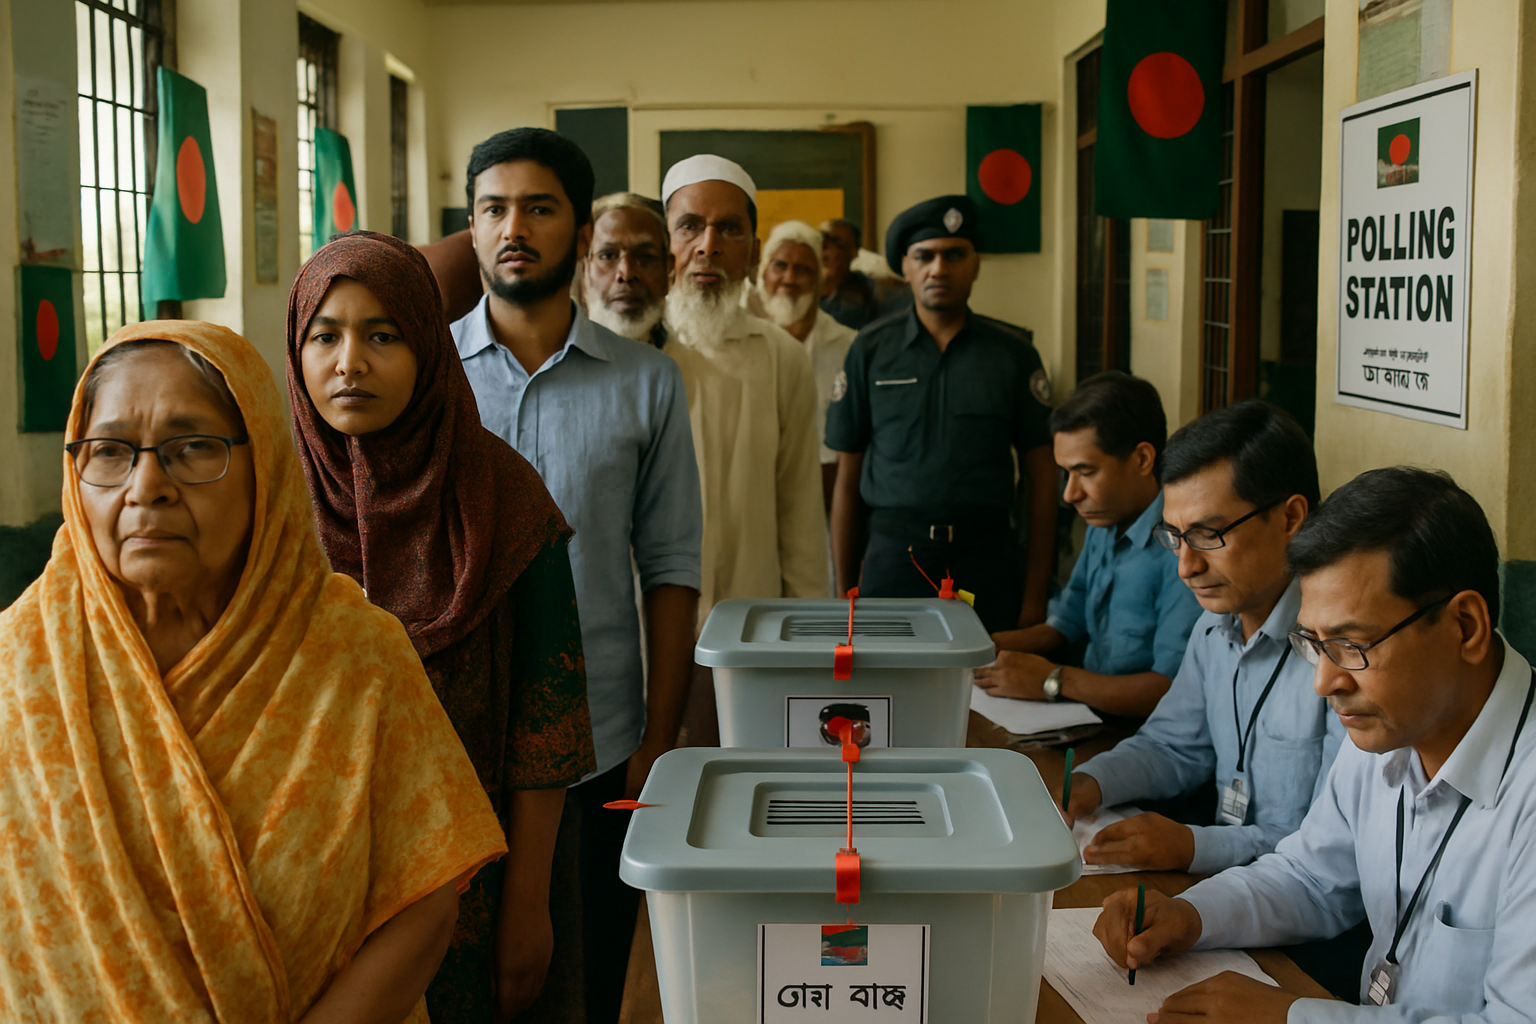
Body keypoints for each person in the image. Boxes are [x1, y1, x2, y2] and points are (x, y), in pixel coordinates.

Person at [0, 320, 507, 1022]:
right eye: (110, 452)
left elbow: (421, 901)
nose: (147, 487)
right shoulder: (20, 670)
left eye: (195, 448)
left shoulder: (354, 657)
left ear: (264, 459)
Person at [287, 231, 600, 1024]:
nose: (349, 362)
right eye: (324, 335)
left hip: (478, 885)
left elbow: (547, 725)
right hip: (303, 884)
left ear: (429, 346)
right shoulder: (267, 508)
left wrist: (528, 907)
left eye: (382, 335)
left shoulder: (504, 498)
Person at [1095, 467, 1536, 1023]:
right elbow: (1310, 876)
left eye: (1351, 645)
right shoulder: (1389, 729)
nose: (1325, 682)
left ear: (1465, 626)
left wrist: (1290, 1019)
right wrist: (1188, 915)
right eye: (1312, 643)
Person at [449, 130, 703, 1024]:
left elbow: (671, 566)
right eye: (493, 208)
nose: (513, 227)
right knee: (463, 985)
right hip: (451, 741)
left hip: (601, 737)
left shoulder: (646, 383)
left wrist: (660, 734)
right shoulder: (426, 374)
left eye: (538, 207)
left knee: (585, 977)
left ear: (580, 228)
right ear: (472, 227)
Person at [1062, 400, 1342, 874]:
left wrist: (1193, 847)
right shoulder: (1214, 628)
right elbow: (1173, 745)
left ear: (1291, 518)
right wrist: (1088, 782)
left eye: (1209, 535)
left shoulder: (1340, 652)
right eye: (1174, 537)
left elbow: (1330, 851)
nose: (1186, 566)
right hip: (1229, 886)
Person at [825, 194, 1057, 633]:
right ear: (906, 267)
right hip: (894, 557)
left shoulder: (1014, 354)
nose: (938, 268)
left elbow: (1042, 479)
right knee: (891, 690)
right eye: (924, 256)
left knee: (991, 692)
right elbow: (847, 480)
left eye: (954, 255)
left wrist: (1034, 594)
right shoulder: (870, 350)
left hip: (987, 556)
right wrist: (845, 588)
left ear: (976, 264)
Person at [659, 153, 829, 621]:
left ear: (753, 253)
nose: (707, 246)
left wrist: (811, 631)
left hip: (753, 625)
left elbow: (801, 517)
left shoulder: (782, 358)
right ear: (664, 242)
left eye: (729, 229)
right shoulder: (632, 354)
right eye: (689, 226)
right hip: (646, 630)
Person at [974, 371, 1201, 717]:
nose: (1070, 494)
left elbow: (1171, 689)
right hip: (1086, 713)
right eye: (1066, 473)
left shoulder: (1182, 551)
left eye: (1086, 472)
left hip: (1138, 732)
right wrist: (984, 648)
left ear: (1142, 459)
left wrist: (1054, 679)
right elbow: (1069, 620)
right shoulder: (1104, 520)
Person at [750, 219, 858, 510]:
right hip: (752, 499)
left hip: (825, 504)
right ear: (763, 273)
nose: (789, 278)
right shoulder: (740, 342)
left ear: (819, 281)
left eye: (803, 269)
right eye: (780, 265)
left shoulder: (849, 348)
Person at [581, 191, 672, 348]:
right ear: (585, 272)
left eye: (645, 257)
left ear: (668, 271)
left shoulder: (697, 366)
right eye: (608, 256)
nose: (627, 274)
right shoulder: (553, 363)